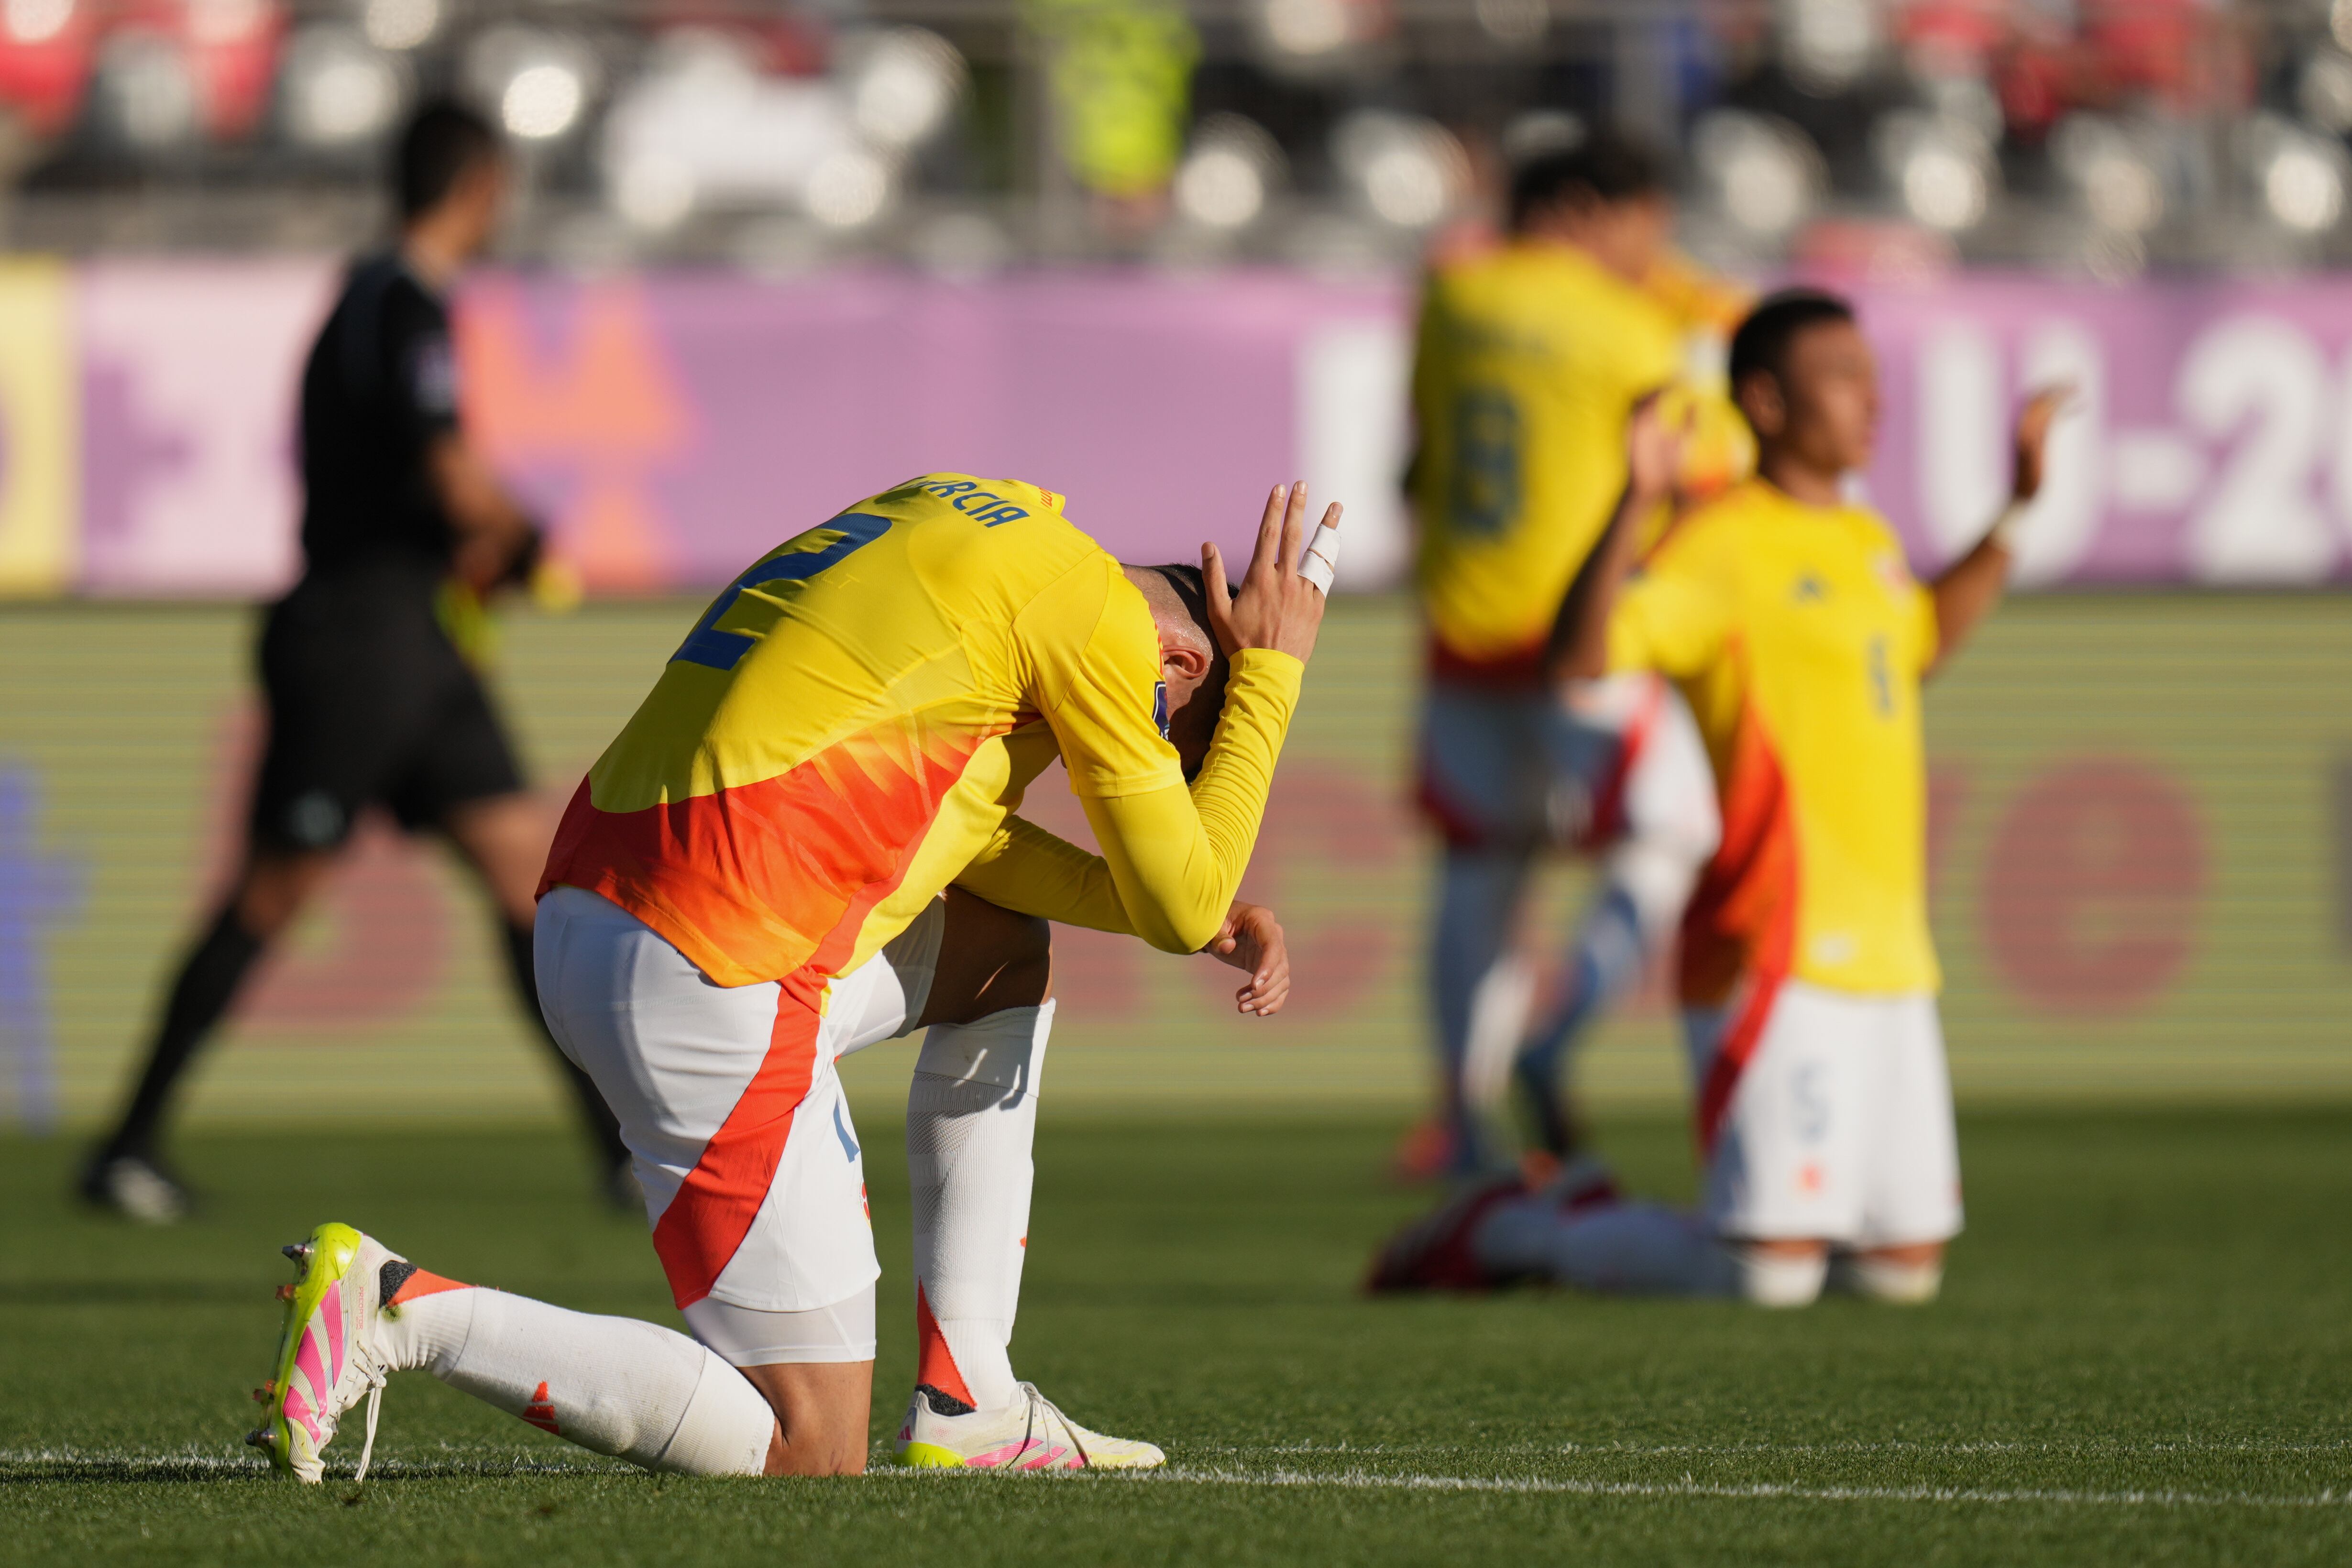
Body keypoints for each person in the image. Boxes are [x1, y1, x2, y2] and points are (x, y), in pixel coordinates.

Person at [243, 474, 1336, 1480]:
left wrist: (1152, 900)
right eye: (1170, 752)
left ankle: (973, 1400)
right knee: (808, 1445)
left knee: (1001, 956)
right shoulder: (1098, 621)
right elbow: (1182, 895)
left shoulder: (985, 514)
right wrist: (1273, 677)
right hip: (713, 959)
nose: (1143, 772)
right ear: (1180, 666)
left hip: (604, 906)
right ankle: (401, 1308)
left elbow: (963, 834)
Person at [1369, 290, 2068, 1307]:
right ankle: (1521, 1226)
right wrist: (1631, 499)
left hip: (1891, 954)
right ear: (1765, 401)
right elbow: (1578, 658)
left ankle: (1556, 1210)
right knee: (1765, 1273)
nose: (1869, 396)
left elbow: (1919, 640)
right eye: (1839, 375)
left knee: (1896, 1274)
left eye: (1869, 373)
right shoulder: (1721, 543)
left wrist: (2011, 510)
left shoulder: (1860, 536)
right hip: (1769, 945)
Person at [79, 103, 632, 1223]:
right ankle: (126, 1147)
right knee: (278, 887)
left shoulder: (370, 299)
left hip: (413, 639)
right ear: (479, 185)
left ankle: (623, 1151)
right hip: (360, 642)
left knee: (527, 874)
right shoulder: (402, 301)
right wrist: (524, 539)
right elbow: (450, 472)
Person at [1401, 132, 1722, 1182]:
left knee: (1480, 871)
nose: (1651, 249)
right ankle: (1556, 1033)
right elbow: (1705, 468)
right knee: (1674, 829)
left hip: (1463, 625)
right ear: (1588, 210)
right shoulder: (1629, 326)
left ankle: (1461, 1120)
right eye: (1644, 225)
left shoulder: (1449, 301)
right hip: (1581, 634)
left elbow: (1416, 464)